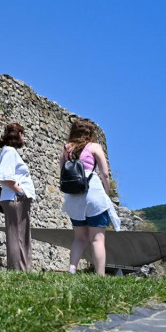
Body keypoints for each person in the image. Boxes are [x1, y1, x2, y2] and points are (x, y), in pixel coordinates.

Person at [61, 118, 120, 275]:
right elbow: (105, 173)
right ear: (90, 133)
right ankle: (99, 275)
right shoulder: (94, 147)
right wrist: (106, 193)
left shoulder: (66, 149)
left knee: (79, 237)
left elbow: (63, 173)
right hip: (93, 193)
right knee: (97, 238)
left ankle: (72, 268)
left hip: (73, 197)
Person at [0, 122, 35, 271]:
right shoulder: (10, 152)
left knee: (19, 235)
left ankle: (22, 269)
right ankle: (18, 270)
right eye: (22, 134)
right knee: (17, 236)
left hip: (14, 197)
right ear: (17, 135)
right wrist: (20, 192)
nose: (24, 137)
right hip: (15, 197)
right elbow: (6, 176)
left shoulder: (8, 151)